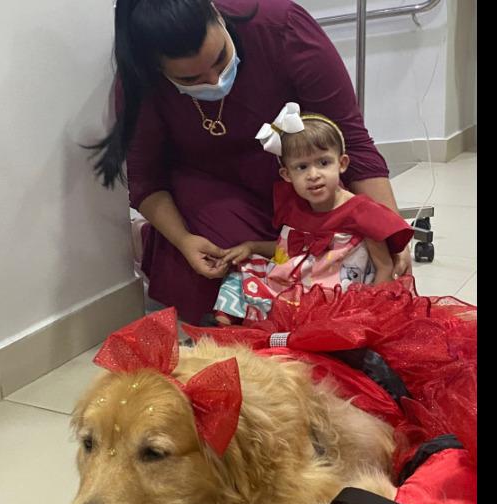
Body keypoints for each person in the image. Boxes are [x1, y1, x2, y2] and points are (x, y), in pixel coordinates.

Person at [89, 0, 411, 324]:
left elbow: (351, 139)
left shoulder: (282, 28)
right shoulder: (139, 85)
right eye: (191, 80)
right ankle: (154, 241)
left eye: (220, 59)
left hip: (293, 179)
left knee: (342, 256)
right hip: (207, 188)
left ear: (217, 13)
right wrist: (184, 240)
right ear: (156, 69)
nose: (215, 80)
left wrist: (391, 233)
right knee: (233, 280)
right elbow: (147, 180)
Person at [212, 104, 414, 324]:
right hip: (296, 289)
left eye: (324, 163)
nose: (313, 175)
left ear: (342, 163)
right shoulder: (293, 206)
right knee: (241, 274)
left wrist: (365, 313)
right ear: (286, 175)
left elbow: (384, 267)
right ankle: (231, 330)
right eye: (301, 167)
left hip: (343, 300)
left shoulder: (362, 212)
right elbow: (287, 250)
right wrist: (251, 247)